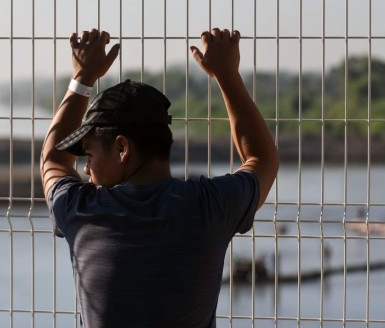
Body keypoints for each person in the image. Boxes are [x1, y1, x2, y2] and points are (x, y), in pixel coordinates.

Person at [40, 28, 279, 328]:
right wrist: (227, 74)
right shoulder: (209, 206)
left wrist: (82, 78)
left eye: (88, 155)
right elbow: (262, 159)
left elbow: (52, 159)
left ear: (122, 148)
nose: (86, 171)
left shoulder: (83, 211)